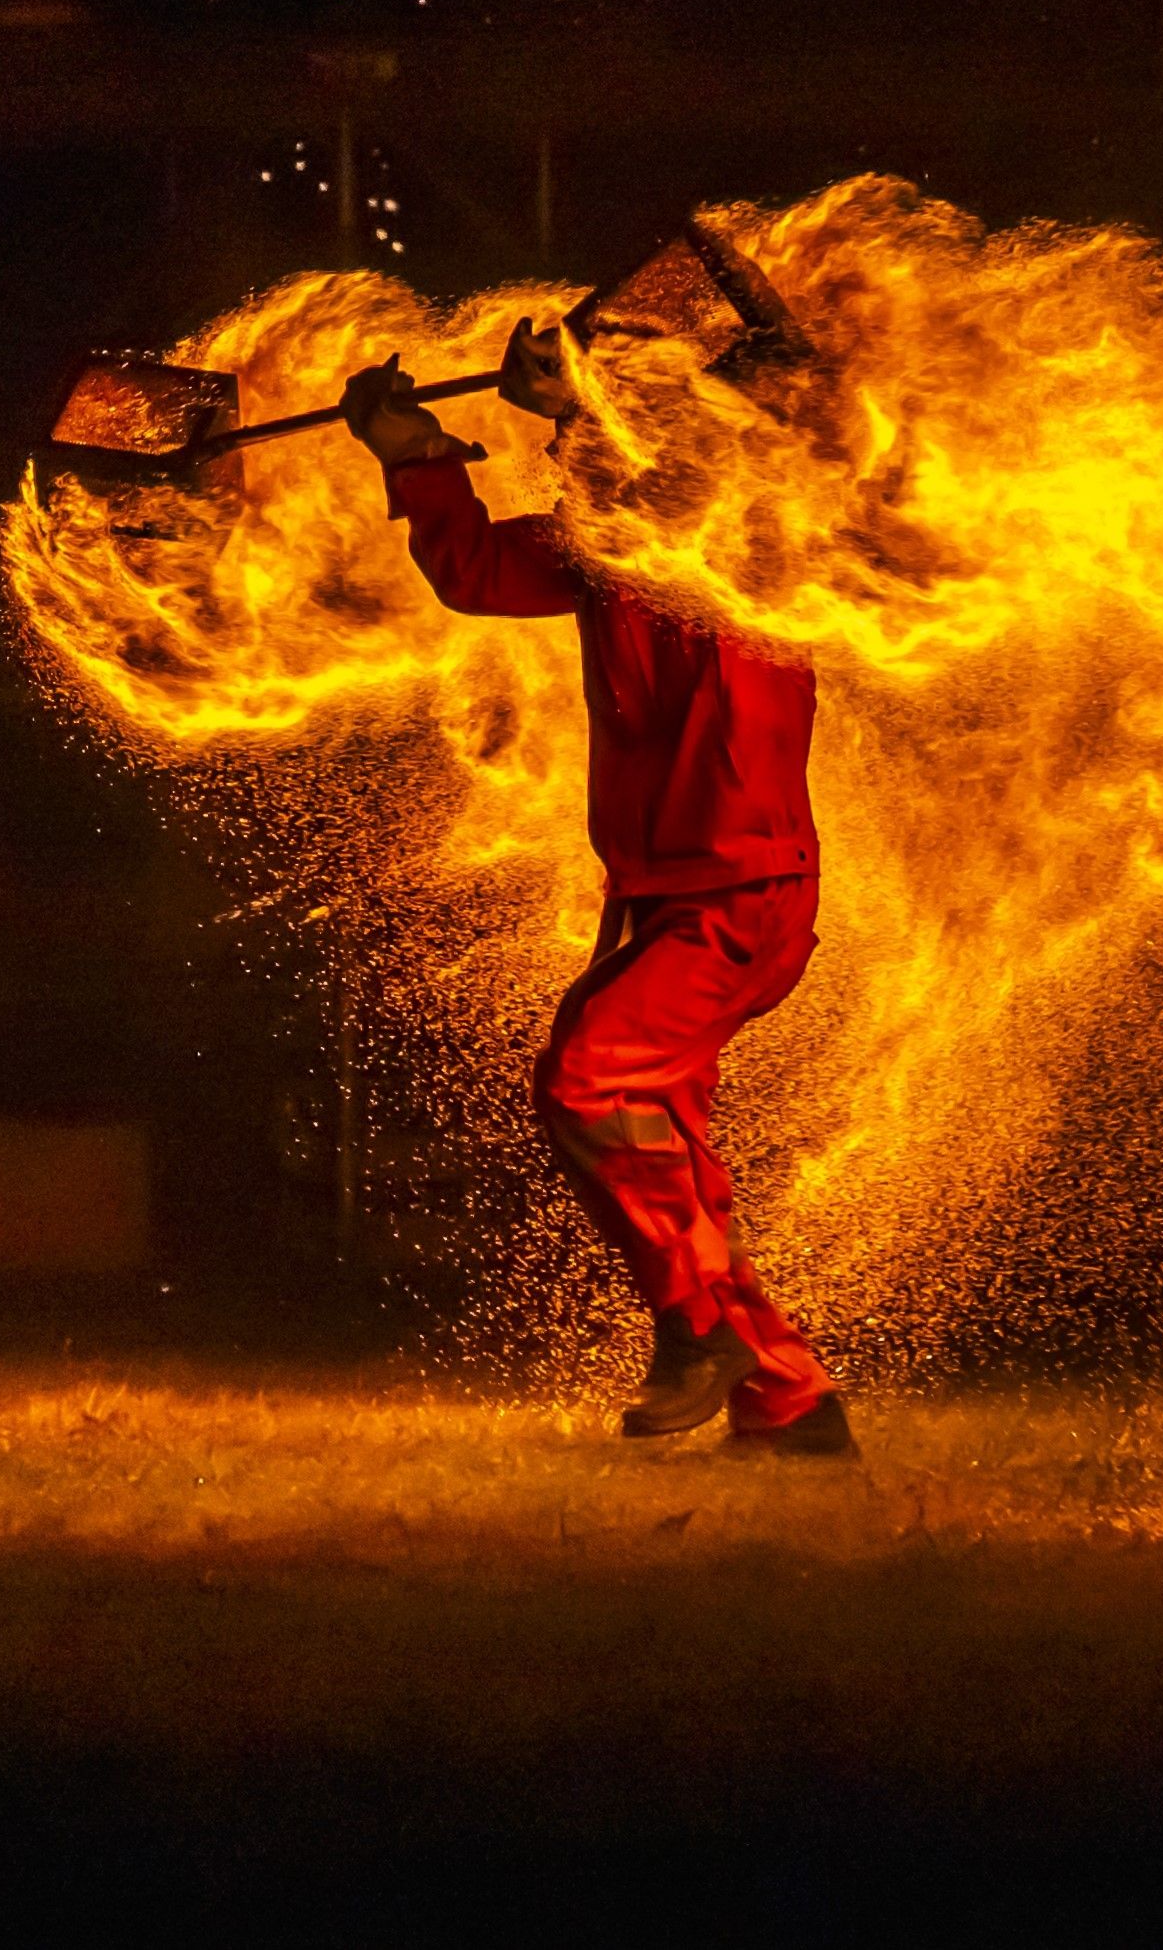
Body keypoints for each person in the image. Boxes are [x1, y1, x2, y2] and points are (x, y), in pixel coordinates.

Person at [344, 233, 858, 1459]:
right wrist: (413, 451)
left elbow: (700, 482)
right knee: (660, 1149)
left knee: (592, 1082)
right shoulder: (613, 551)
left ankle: (695, 1330)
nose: (575, 459)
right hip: (668, 894)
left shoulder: (750, 533)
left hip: (739, 893)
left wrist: (583, 403)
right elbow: (478, 568)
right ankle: (788, 1402)